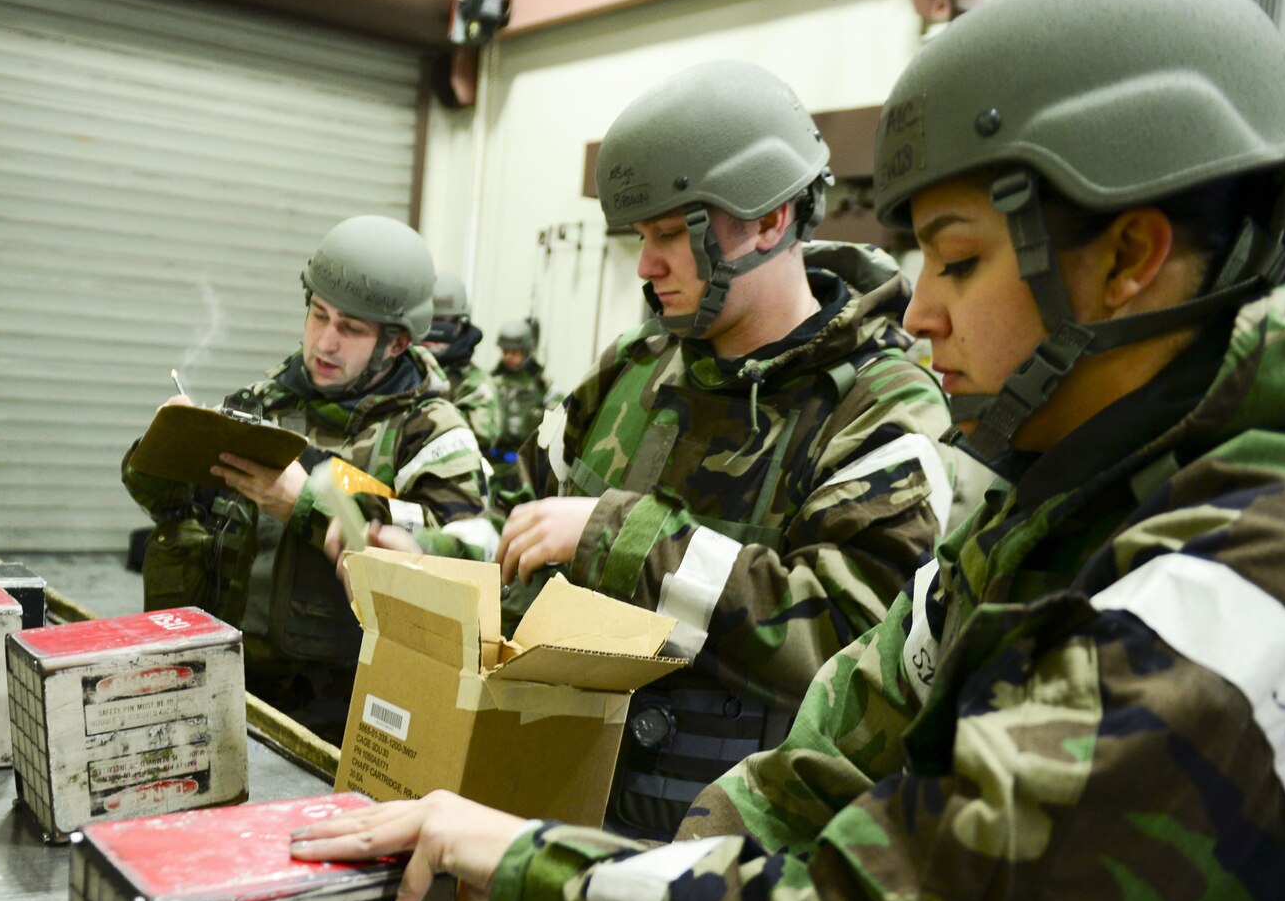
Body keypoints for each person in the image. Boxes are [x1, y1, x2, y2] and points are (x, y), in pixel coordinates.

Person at [292, 0, 1285, 901]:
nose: (917, 317)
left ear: (1128, 256)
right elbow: (829, 761)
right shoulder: (1070, 494)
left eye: (955, 264)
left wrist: (529, 871)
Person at [385, 59, 955, 841]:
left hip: (727, 870)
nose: (646, 266)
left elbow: (857, 639)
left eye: (668, 235)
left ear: (768, 220)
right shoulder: (632, 368)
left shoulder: (881, 405)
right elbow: (519, 525)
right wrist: (416, 552)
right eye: (640, 236)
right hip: (546, 813)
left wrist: (621, 537)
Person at [124, 215, 487, 742]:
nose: (325, 342)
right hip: (223, 688)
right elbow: (169, 507)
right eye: (319, 316)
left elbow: (464, 558)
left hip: (342, 713)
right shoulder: (264, 403)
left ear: (396, 343)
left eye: (351, 329)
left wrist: (306, 504)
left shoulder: (431, 434)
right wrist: (169, 443)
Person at [425, 270, 501, 452]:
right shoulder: (397, 365)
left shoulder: (475, 383)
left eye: (442, 321)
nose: (433, 331)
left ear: (460, 324)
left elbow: (478, 437)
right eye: (427, 321)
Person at [486, 317, 561, 475]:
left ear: (527, 351)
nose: (509, 357)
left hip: (526, 468)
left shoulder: (542, 386)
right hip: (492, 464)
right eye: (505, 351)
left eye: (515, 352)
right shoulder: (491, 383)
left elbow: (559, 417)